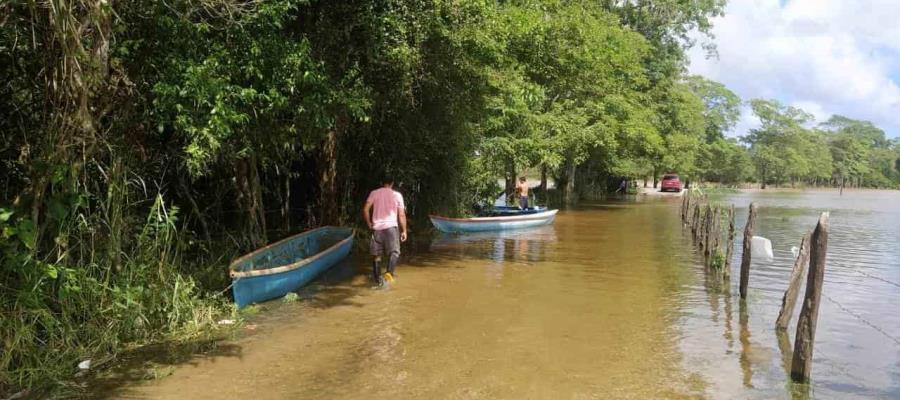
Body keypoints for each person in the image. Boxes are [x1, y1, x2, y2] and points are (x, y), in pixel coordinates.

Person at [363, 175, 407, 287]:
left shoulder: (374, 193)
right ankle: (389, 273)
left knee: (376, 255)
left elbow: (365, 209)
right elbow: (401, 215)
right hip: (391, 228)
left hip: (377, 229)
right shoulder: (397, 195)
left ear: (382, 182)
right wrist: (404, 231)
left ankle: (378, 281)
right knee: (395, 252)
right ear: (392, 183)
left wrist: (369, 223)